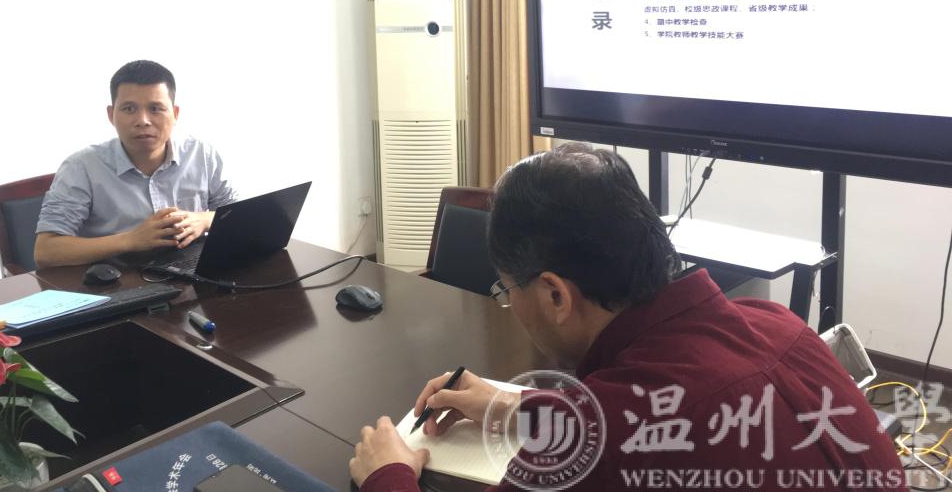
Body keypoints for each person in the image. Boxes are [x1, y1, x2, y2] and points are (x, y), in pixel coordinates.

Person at [350, 143, 906, 492]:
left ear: (555, 295)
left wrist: (387, 476)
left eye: (507, 289)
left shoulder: (600, 446)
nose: (510, 305)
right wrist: (518, 405)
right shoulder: (778, 325)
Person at [34, 60, 237, 268]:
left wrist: (203, 220)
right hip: (119, 278)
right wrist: (130, 240)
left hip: (193, 271)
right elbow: (46, 251)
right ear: (111, 115)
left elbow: (238, 215)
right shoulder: (81, 167)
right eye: (129, 109)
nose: (143, 121)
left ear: (175, 114)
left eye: (155, 108)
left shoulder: (201, 154)